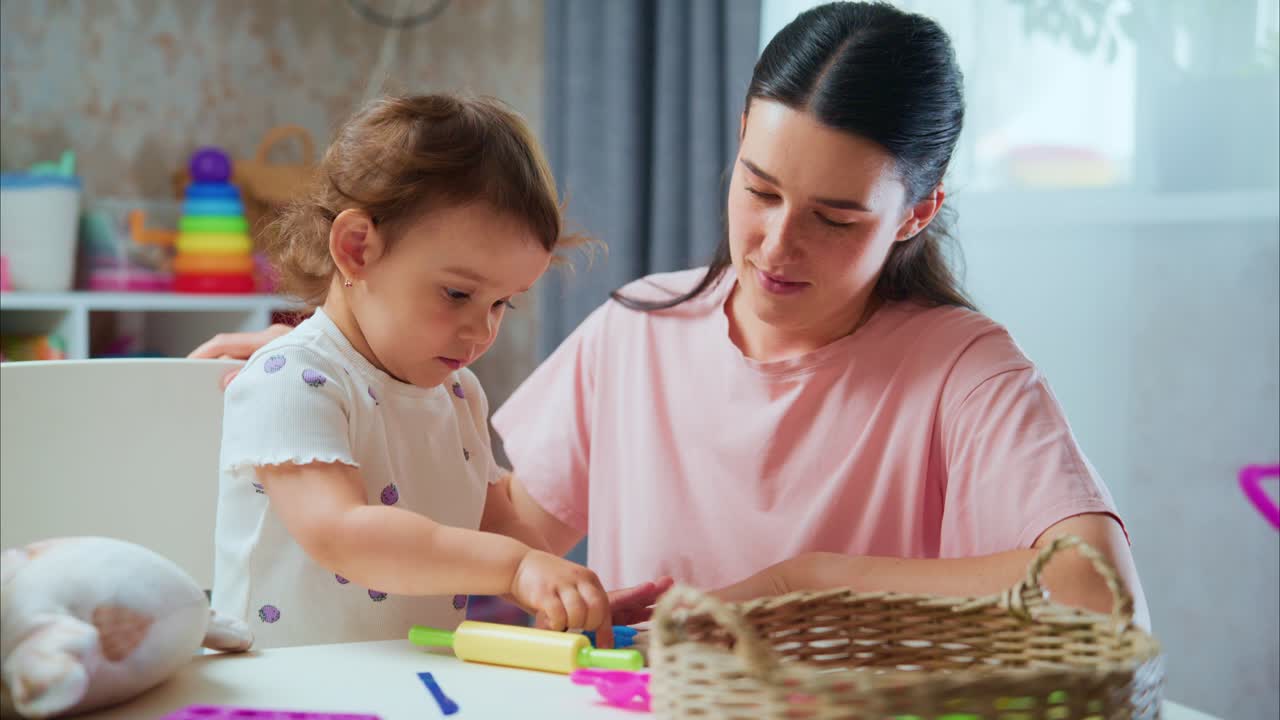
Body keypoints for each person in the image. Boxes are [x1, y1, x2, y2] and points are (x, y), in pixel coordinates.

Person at [194, 3, 1148, 628]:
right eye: (760, 189)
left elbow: (1097, 593)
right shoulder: (639, 326)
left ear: (920, 211)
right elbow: (504, 529)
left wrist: (797, 583)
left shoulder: (962, 366)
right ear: (737, 141)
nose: (776, 245)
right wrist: (354, 376)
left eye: (836, 218)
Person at [208, 94, 665, 650]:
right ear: (357, 249)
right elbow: (343, 534)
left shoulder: (457, 392)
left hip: (408, 684)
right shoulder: (291, 378)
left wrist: (557, 589)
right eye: (457, 293)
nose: (482, 332)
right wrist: (513, 567)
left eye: (502, 303)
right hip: (279, 691)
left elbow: (496, 521)